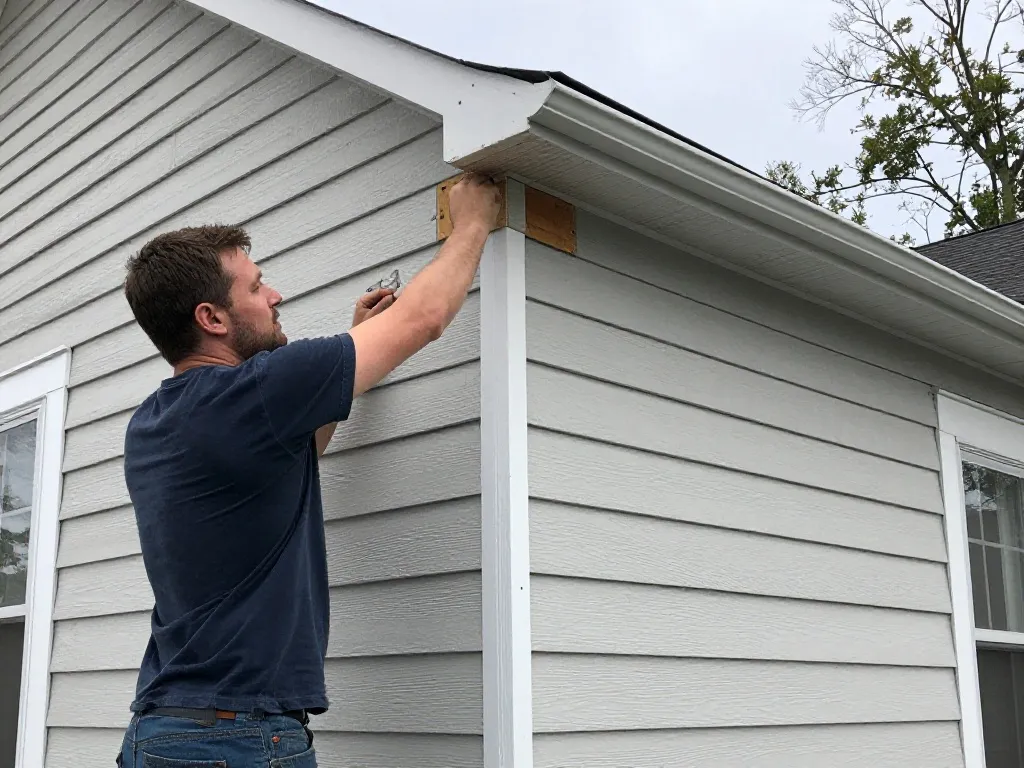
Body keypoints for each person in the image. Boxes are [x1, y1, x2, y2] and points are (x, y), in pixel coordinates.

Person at [114, 174, 502, 768]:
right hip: (236, 739)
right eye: (257, 285)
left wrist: (353, 342)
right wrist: (473, 222)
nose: (275, 295)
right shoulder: (260, 392)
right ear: (212, 318)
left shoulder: (152, 425)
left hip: (162, 732)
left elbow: (285, 456)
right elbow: (423, 318)